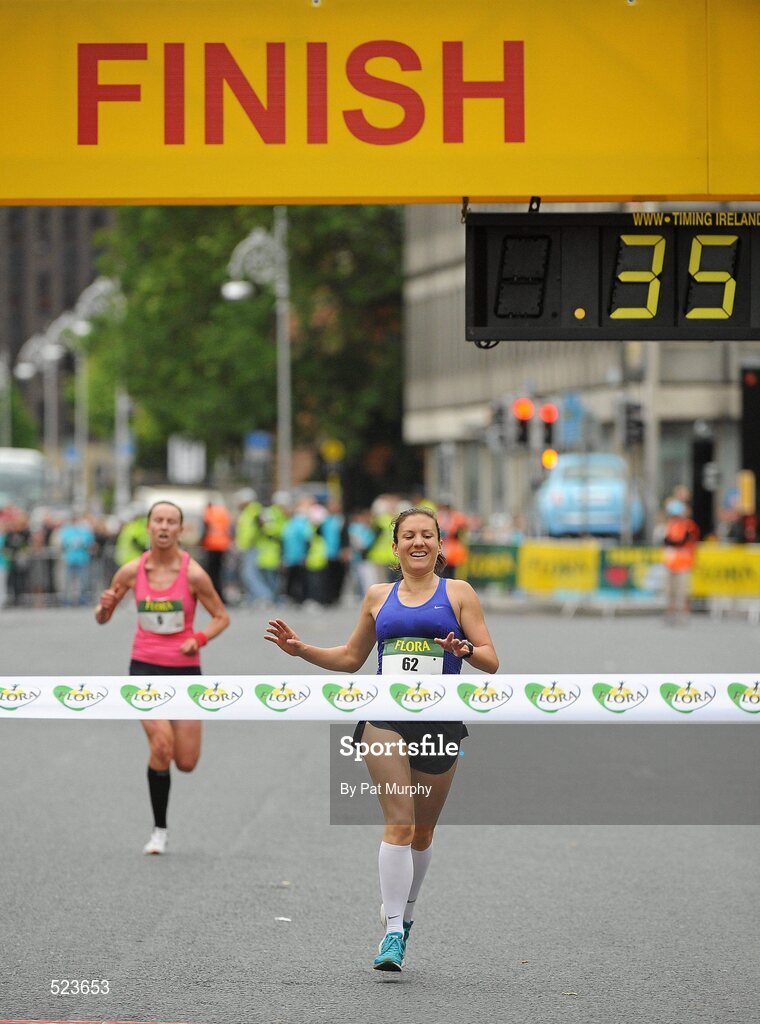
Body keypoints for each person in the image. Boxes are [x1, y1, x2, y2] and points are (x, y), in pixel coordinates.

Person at [265, 506, 498, 971]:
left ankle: (405, 918)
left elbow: (491, 660)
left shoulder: (459, 593)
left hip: (441, 722)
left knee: (423, 832)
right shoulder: (376, 596)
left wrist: (464, 650)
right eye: (408, 535)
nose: (418, 542)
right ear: (394, 547)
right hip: (384, 720)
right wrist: (301, 649)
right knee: (400, 823)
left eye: (427, 535)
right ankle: (391, 933)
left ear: (439, 545)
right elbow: (352, 658)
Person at [95, 501, 230, 854]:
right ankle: (159, 830)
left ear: (180, 529)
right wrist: (104, 607)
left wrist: (197, 639)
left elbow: (221, 617)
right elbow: (103, 617)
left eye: (172, 521)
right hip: (144, 670)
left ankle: (160, 815)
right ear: (148, 527)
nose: (164, 527)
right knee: (161, 745)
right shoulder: (129, 572)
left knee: (185, 761)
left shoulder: (193, 574)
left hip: (186, 672)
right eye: (158, 520)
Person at [662, 498, 700, 624]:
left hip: (684, 564)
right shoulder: (670, 525)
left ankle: (684, 614)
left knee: (683, 591)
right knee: (670, 591)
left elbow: (682, 541)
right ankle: (670, 614)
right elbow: (666, 540)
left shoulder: (688, 525)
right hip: (671, 563)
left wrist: (671, 542)